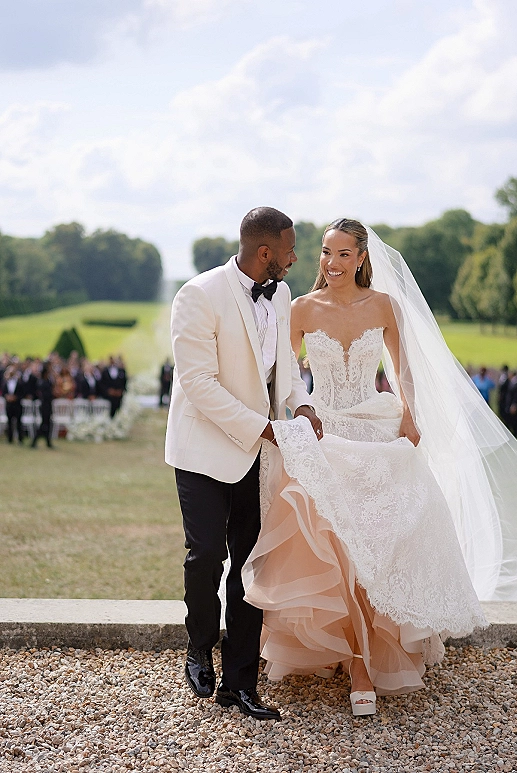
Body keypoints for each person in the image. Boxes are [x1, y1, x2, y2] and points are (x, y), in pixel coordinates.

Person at [243, 219, 517, 716]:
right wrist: (285, 424)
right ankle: (356, 662)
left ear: (361, 258)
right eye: (324, 253)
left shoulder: (383, 305)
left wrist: (409, 413)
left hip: (376, 432)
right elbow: (285, 377)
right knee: (334, 549)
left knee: (378, 549)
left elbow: (402, 369)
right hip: (325, 434)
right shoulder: (301, 308)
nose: (330, 264)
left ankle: (372, 654)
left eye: (341, 254)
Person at [165, 207, 321, 721]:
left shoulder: (281, 295)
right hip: (203, 450)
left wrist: (301, 404)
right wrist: (264, 428)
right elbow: (199, 384)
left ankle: (240, 683)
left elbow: (284, 371)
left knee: (251, 566)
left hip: (259, 454)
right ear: (264, 252)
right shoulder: (198, 295)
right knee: (206, 555)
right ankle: (198, 644)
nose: (297, 257)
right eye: (290, 249)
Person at [31, 365, 54, 448]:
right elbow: (44, 394)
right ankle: (34, 440)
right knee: (44, 424)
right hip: (44, 405)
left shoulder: (47, 381)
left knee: (48, 423)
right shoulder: (41, 382)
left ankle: (48, 442)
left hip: (48, 404)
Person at [2, 365, 26, 444]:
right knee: (9, 422)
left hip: (17, 405)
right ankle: (10, 439)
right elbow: (3, 392)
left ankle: (20, 439)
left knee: (19, 422)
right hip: (9, 405)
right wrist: (7, 397)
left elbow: (22, 393)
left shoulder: (20, 382)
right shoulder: (5, 382)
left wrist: (15, 397)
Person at [504, 371, 517, 439]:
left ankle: (516, 433)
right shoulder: (511, 382)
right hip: (510, 405)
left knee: (515, 420)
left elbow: (516, 396)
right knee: (510, 420)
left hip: (513, 405)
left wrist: (514, 405)